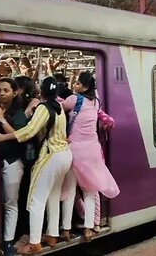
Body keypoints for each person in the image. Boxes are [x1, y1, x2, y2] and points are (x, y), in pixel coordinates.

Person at [0, 77, 72, 255]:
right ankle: (52, 234)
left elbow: (29, 131)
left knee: (36, 200)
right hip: (65, 154)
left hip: (50, 155)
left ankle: (34, 243)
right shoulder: (59, 107)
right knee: (53, 196)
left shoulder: (44, 108)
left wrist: (2, 137)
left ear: (41, 92)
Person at [61, 72, 120, 242]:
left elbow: (60, 107)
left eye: (78, 83)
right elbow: (106, 120)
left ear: (85, 87)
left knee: (70, 191)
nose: (75, 86)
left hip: (74, 150)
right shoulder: (96, 102)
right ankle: (88, 229)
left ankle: (65, 230)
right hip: (92, 150)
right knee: (90, 190)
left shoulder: (74, 99)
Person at [0, 78, 27, 256]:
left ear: (14, 92)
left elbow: (19, 135)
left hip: (12, 161)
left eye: (5, 90)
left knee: (10, 202)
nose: (2, 93)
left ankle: (9, 242)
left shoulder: (18, 113)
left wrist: (1, 120)